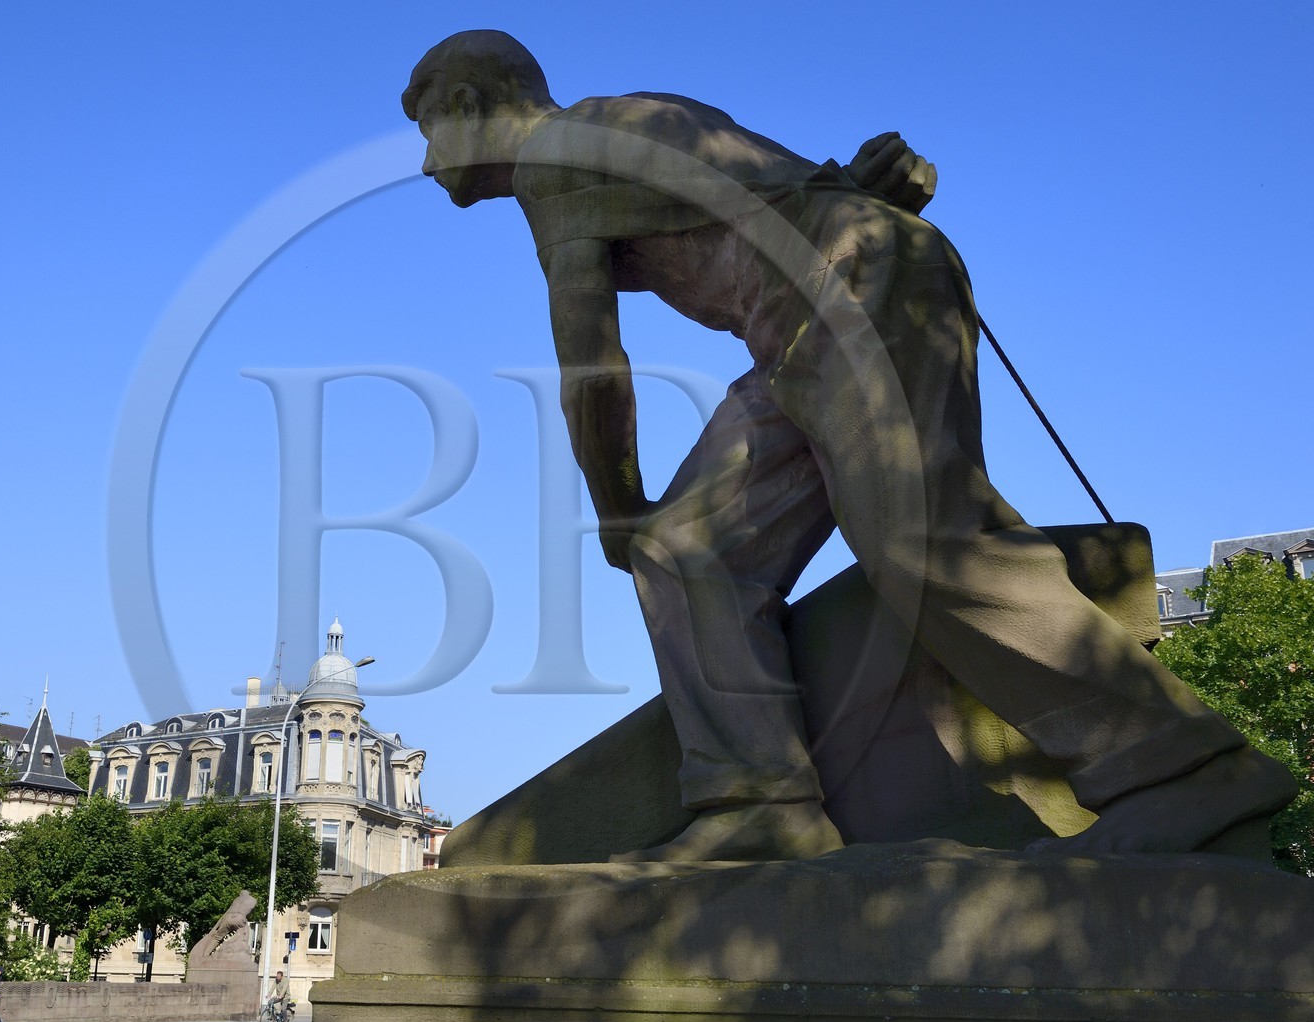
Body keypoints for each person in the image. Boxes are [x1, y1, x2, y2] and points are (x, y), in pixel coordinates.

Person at [402, 30, 1297, 861]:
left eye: (427, 123)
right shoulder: (632, 116)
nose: (425, 160)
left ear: (475, 102)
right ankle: (758, 805)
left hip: (847, 293)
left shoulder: (555, 158)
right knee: (685, 551)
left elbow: (592, 366)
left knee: (922, 543)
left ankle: (1184, 763)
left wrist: (614, 502)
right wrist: (871, 187)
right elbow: (777, 185)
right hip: (811, 316)